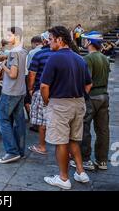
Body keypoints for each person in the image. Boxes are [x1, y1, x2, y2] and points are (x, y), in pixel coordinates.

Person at [40, 26, 92, 190]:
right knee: (73, 139)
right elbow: (89, 84)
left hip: (60, 104)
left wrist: (48, 102)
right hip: (78, 103)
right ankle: (81, 171)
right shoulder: (79, 58)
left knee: (61, 142)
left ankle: (63, 178)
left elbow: (44, 86)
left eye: (50, 39)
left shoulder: (54, 58)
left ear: (59, 39)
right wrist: (77, 95)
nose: (48, 42)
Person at [70, 31, 111, 171]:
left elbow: (88, 82)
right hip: (104, 96)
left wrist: (81, 98)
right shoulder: (105, 58)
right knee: (103, 129)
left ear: (89, 43)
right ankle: (102, 160)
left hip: (92, 97)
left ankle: (85, 158)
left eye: (85, 40)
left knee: (84, 128)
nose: (84, 42)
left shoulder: (88, 58)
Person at [0, 27, 27, 164]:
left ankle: (12, 151)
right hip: (20, 91)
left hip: (10, 91)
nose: (7, 37)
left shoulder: (14, 53)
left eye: (9, 35)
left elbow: (12, 74)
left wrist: (3, 66)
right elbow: (3, 56)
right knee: (19, 122)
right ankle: (19, 151)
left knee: (2, 120)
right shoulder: (23, 51)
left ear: (16, 36)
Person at [27, 31, 54, 155]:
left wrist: (31, 89)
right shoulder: (60, 54)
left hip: (41, 89)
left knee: (42, 120)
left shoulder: (39, 54)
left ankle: (42, 146)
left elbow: (32, 74)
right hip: (58, 91)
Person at [25, 35, 43, 122]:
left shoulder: (32, 52)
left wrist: (29, 88)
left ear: (35, 43)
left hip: (35, 81)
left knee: (31, 100)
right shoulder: (47, 50)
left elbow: (29, 69)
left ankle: (34, 120)